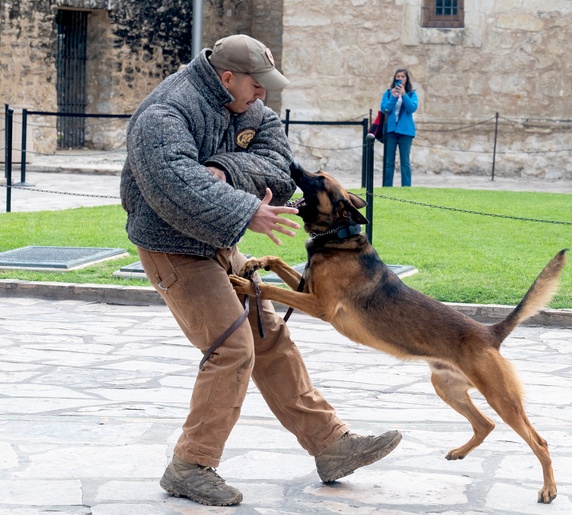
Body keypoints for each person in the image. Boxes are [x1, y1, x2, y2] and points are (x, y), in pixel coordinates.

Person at [120, 34, 401, 507]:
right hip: (171, 247)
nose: (263, 95)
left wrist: (225, 173)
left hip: (217, 240)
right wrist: (246, 210)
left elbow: (277, 168)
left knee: (269, 339)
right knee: (231, 347)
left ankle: (331, 446)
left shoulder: (252, 110)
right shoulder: (164, 115)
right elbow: (175, 186)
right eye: (257, 84)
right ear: (227, 78)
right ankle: (190, 465)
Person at [380, 68, 418, 187]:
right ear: (395, 78)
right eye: (398, 76)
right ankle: (387, 186)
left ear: (407, 79)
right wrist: (394, 97)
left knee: (405, 162)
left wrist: (404, 95)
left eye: (403, 76)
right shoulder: (388, 93)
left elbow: (412, 108)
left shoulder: (412, 94)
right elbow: (385, 109)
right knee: (389, 161)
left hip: (405, 131)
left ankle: (406, 187)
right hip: (390, 131)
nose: (400, 79)